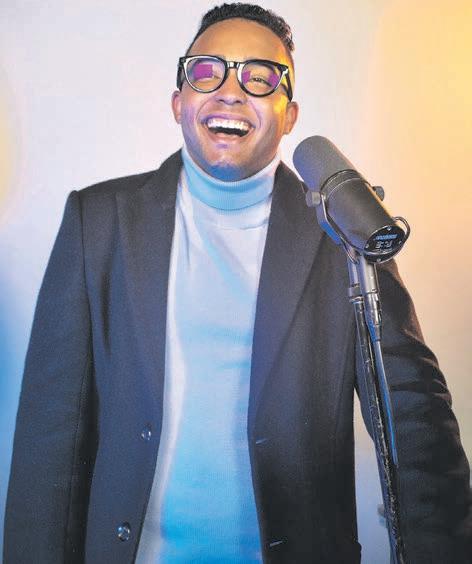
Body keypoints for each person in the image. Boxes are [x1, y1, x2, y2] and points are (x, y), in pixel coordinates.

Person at [4, 3, 471, 563]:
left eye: (259, 77)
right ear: (178, 102)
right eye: (207, 72)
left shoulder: (343, 231)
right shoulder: (99, 221)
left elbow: (414, 423)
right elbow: (49, 437)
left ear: (289, 115)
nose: (230, 91)